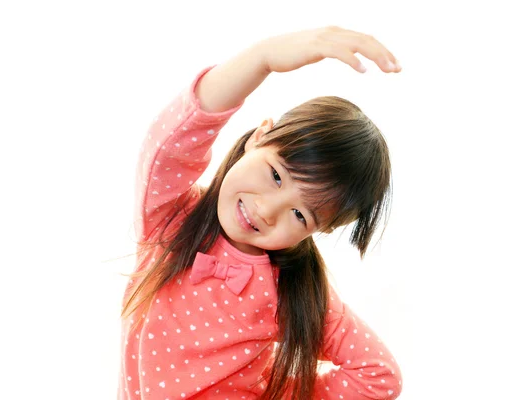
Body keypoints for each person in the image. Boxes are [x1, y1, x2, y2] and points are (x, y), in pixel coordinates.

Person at [119, 26, 403, 400]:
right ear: (260, 136)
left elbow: (378, 375)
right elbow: (171, 142)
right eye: (276, 174)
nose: (267, 210)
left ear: (319, 231)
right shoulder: (172, 217)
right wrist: (261, 59)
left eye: (300, 215)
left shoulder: (291, 289)